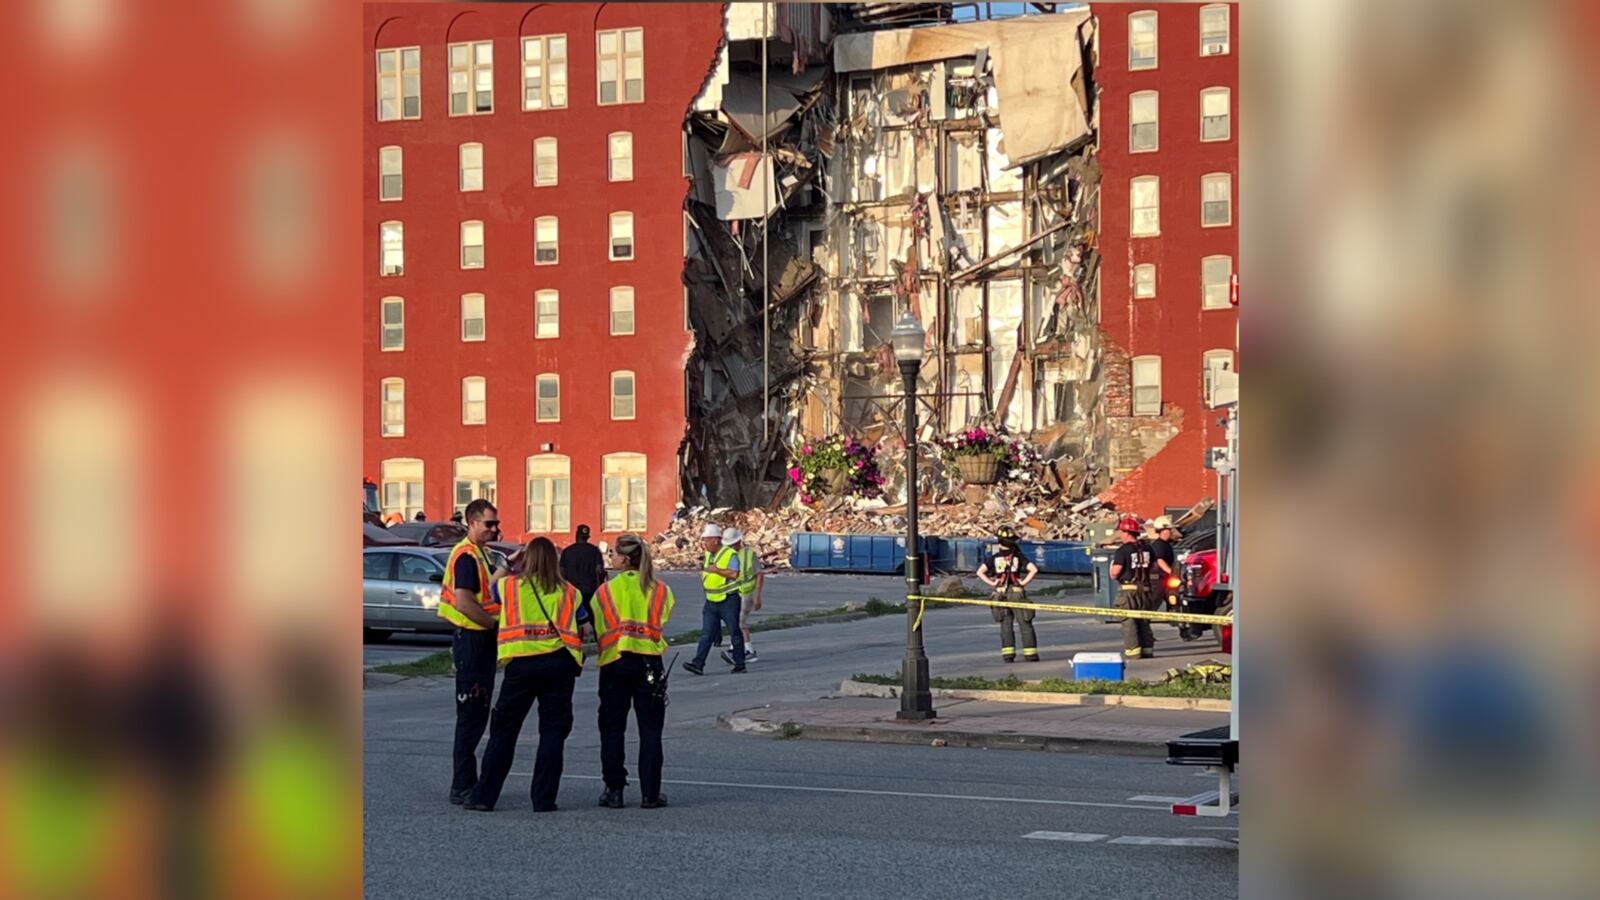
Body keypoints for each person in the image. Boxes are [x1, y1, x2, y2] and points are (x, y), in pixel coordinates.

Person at [464, 537, 583, 813]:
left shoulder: (509, 587)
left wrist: (507, 563)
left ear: (526, 559)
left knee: (503, 733)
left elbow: (489, 590)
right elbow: (583, 625)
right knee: (553, 734)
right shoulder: (570, 592)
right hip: (558, 665)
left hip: (520, 667)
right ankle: (543, 800)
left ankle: (484, 796)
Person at [592, 533, 676, 809]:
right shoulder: (660, 590)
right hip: (649, 663)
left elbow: (598, 623)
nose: (611, 558)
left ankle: (614, 790)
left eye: (614, 553)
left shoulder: (605, 591)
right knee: (650, 730)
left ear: (624, 559)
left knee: (612, 729)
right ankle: (651, 794)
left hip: (615, 662)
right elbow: (663, 617)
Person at [437, 499, 503, 805]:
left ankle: (467, 781)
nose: (494, 529)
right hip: (473, 639)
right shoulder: (465, 556)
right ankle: (462, 784)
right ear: (472, 522)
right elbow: (464, 602)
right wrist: (492, 625)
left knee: (477, 714)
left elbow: (486, 592)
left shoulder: (482, 554)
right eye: (488, 524)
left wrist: (504, 570)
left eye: (495, 523)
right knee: (471, 716)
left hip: (481, 640)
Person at [684, 525, 745, 675]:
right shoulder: (708, 555)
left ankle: (740, 663)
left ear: (716, 540)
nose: (704, 544)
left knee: (734, 632)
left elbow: (734, 574)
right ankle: (698, 664)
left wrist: (717, 570)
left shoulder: (730, 554)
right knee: (706, 634)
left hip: (728, 600)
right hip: (711, 601)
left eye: (707, 540)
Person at [976, 525, 1041, 662]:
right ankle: (1030, 655)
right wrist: (1023, 583)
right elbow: (1033, 569)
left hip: (999, 593)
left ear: (999, 542)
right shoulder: (1018, 556)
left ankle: (1008, 656)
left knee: (1005, 625)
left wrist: (993, 583)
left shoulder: (994, 558)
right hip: (1016, 592)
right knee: (1025, 623)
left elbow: (979, 572)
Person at [1108, 515, 1157, 660]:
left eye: (1122, 532)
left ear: (1127, 533)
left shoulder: (1123, 550)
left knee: (1129, 621)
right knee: (1144, 620)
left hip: (1128, 591)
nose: (1120, 535)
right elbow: (1153, 567)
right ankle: (1147, 649)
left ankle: (1133, 652)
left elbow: (1115, 573)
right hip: (1146, 590)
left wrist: (1111, 568)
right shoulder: (1148, 548)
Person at [721, 528, 765, 665]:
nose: (729, 547)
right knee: (735, 621)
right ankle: (735, 648)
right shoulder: (727, 555)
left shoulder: (748, 554)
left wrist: (758, 596)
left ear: (738, 542)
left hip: (748, 592)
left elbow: (759, 574)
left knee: (740, 622)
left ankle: (748, 651)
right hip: (735, 593)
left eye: (732, 544)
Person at [560, 524, 607, 641]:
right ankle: (595, 638)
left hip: (572, 591)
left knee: (573, 618)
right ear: (587, 537)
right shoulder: (595, 551)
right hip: (590, 590)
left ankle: (575, 639)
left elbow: (561, 572)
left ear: (576, 535)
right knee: (592, 616)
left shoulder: (567, 552)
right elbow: (599, 570)